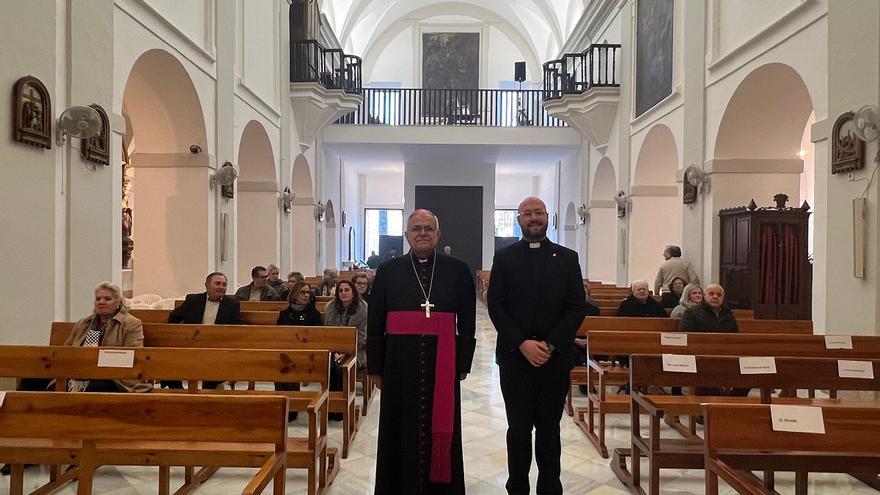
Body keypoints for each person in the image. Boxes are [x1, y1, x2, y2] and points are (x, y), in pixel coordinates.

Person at [367, 209, 476, 494]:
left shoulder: (458, 270)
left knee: (443, 425)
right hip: (398, 362)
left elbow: (467, 319)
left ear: (438, 234)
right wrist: (376, 366)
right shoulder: (389, 271)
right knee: (396, 426)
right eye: (416, 229)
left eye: (428, 228)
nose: (423, 233)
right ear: (407, 235)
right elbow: (375, 320)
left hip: (443, 359)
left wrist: (463, 362)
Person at [488, 196, 587, 495]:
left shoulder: (567, 258)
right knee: (518, 430)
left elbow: (575, 308)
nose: (534, 218)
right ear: (519, 220)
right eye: (527, 214)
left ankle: (549, 488)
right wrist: (522, 343)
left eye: (539, 213)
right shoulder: (504, 258)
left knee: (549, 429)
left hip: (553, 360)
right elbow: (496, 305)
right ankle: (516, 487)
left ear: (547, 217)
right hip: (515, 359)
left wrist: (550, 344)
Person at [20, 281, 151, 394]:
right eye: (98, 299)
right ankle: (26, 417)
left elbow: (133, 354)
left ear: (118, 302)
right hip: (78, 370)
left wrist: (98, 362)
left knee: (96, 385)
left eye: (107, 299)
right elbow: (66, 350)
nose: (101, 302)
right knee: (31, 377)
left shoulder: (131, 323)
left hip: (114, 376)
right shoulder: (84, 323)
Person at [166, 272, 242, 389]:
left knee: (214, 367)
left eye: (224, 284)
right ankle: (178, 392)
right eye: (217, 283)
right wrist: (184, 335)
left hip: (217, 348)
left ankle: (209, 391)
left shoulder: (232, 304)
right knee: (167, 362)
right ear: (207, 285)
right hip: (191, 346)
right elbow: (173, 318)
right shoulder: (193, 300)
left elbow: (236, 328)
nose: (221, 287)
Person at [275, 280, 322, 421]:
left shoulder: (314, 314)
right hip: (288, 351)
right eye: (303, 292)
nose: (306, 295)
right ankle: (281, 403)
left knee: (290, 364)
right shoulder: (284, 314)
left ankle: (292, 406)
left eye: (308, 292)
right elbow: (279, 336)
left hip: (308, 353)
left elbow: (316, 338)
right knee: (279, 362)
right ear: (294, 294)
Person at [323, 279, 368, 420]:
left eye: (347, 290)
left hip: (357, 350)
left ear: (353, 292)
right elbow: (327, 334)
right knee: (329, 366)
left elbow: (363, 336)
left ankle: (340, 408)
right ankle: (330, 407)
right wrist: (335, 351)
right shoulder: (330, 307)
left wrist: (345, 352)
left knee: (341, 367)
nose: (343, 293)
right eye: (340, 291)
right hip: (333, 350)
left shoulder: (363, 308)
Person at [573, 281, 601, 394]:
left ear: (588, 294)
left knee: (591, 351)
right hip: (572, 341)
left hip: (590, 340)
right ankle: (584, 382)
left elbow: (597, 329)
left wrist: (588, 340)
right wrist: (575, 340)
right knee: (574, 352)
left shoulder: (594, 309)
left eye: (584, 292)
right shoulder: (569, 309)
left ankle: (586, 382)